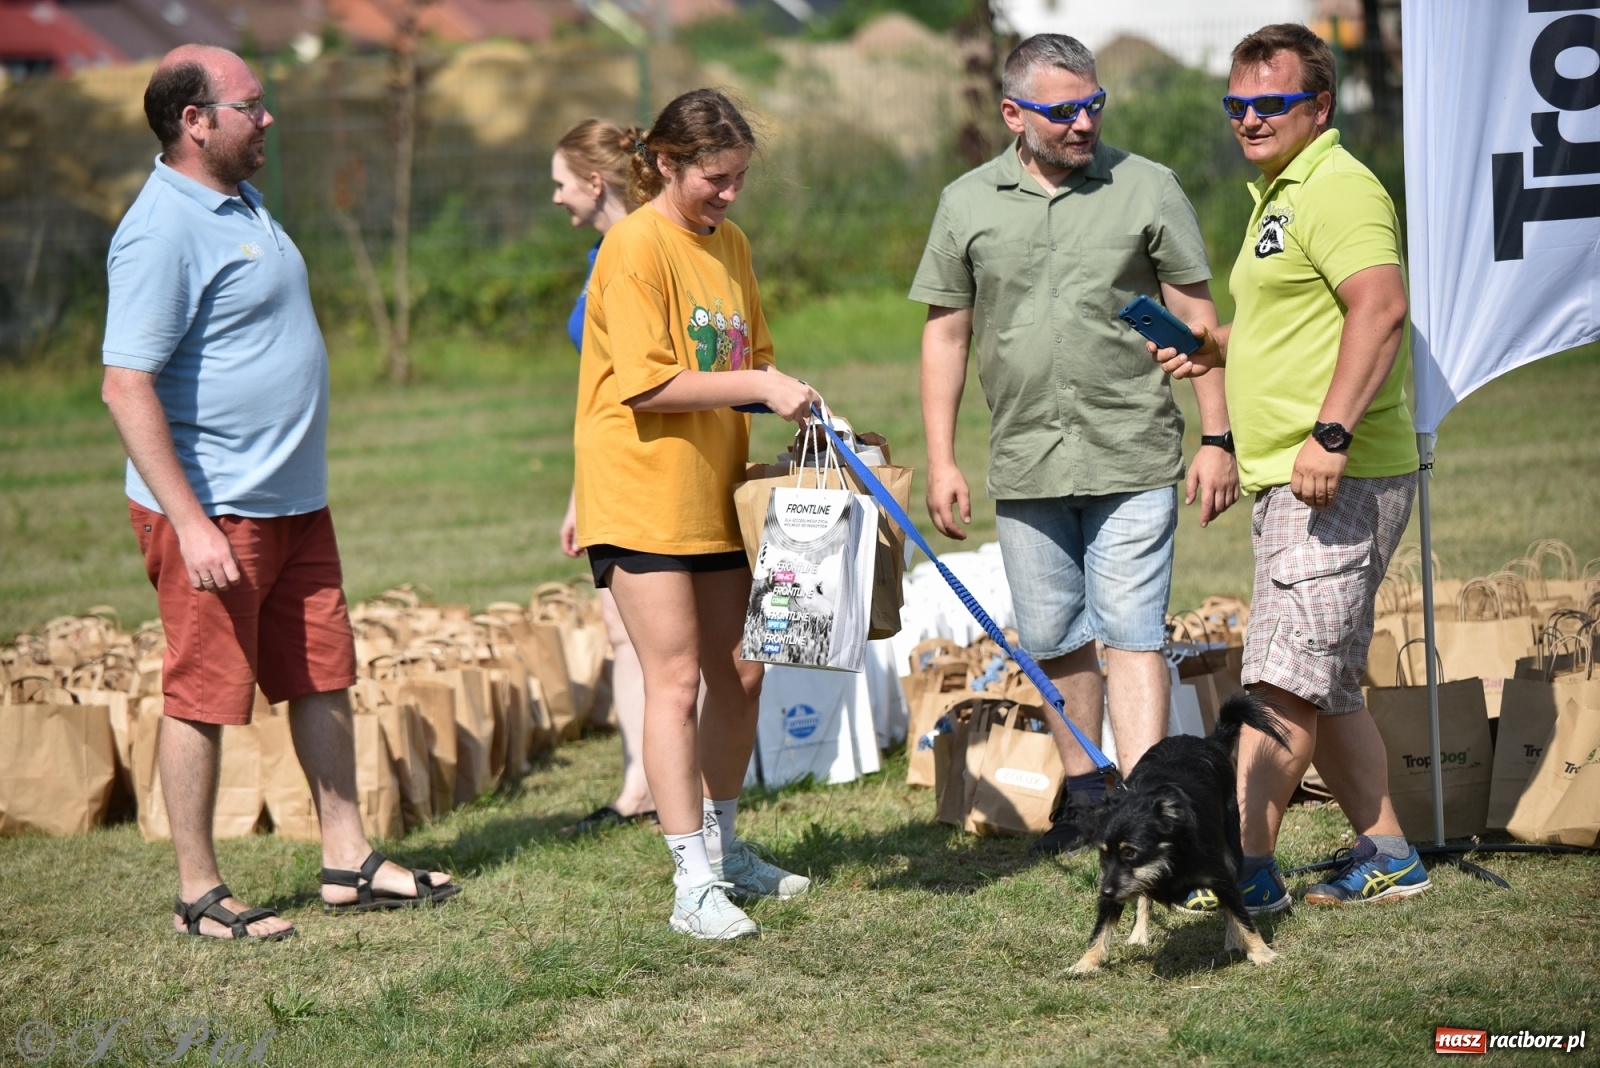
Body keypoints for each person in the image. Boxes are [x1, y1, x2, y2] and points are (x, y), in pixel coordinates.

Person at [102, 45, 459, 941]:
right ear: (197, 121)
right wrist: (191, 524)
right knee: (204, 695)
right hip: (217, 512)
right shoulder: (162, 228)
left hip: (293, 502)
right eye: (252, 106)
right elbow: (125, 384)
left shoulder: (240, 200)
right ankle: (197, 892)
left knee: (322, 675)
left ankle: (348, 858)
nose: (268, 120)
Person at [909, 33, 1239, 856]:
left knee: (1132, 631)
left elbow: (1197, 323)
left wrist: (1217, 436)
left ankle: (1153, 801)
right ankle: (1089, 802)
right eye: (1064, 112)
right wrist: (942, 458)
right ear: (1015, 114)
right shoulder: (966, 203)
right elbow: (946, 335)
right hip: (1027, 460)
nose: (1084, 123)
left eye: (1094, 105)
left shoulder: (1148, 188)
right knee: (1054, 636)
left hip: (1132, 448)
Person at [1150, 23, 1428, 909]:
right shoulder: (1281, 192)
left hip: (1334, 480)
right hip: (1299, 481)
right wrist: (1214, 343)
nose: (1250, 119)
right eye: (1237, 104)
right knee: (1326, 684)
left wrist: (1332, 434)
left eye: (1271, 103)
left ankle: (1244, 869)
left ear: (1320, 105)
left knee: (1274, 686)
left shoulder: (1337, 188)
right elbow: (1298, 321)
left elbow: (1379, 308)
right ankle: (1387, 855)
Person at [572, 88, 820, 939]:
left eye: (740, 177)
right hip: (640, 496)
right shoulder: (635, 247)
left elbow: (757, 355)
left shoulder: (733, 245)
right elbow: (647, 383)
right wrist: (758, 386)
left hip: (717, 495)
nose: (729, 194)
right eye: (715, 178)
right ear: (666, 165)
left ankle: (725, 849)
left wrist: (788, 410)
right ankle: (688, 883)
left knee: (744, 671)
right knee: (675, 683)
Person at [552, 118, 658, 834]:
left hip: (650, 462)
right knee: (623, 633)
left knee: (664, 642)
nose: (555, 199)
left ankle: (667, 787)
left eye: (560, 183)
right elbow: (599, 383)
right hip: (608, 461)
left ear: (594, 182)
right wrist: (577, 491)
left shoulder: (649, 245)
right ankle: (638, 788)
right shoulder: (602, 254)